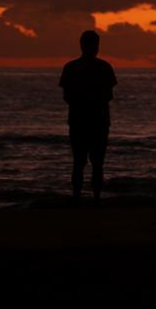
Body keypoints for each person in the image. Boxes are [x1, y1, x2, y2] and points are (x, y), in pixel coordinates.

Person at [60, 30, 117, 205]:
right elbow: (108, 95)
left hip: (82, 121)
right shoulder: (103, 67)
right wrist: (92, 101)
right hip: (95, 121)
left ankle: (80, 198)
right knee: (93, 162)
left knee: (82, 162)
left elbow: (67, 96)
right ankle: (94, 198)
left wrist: (83, 101)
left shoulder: (72, 67)